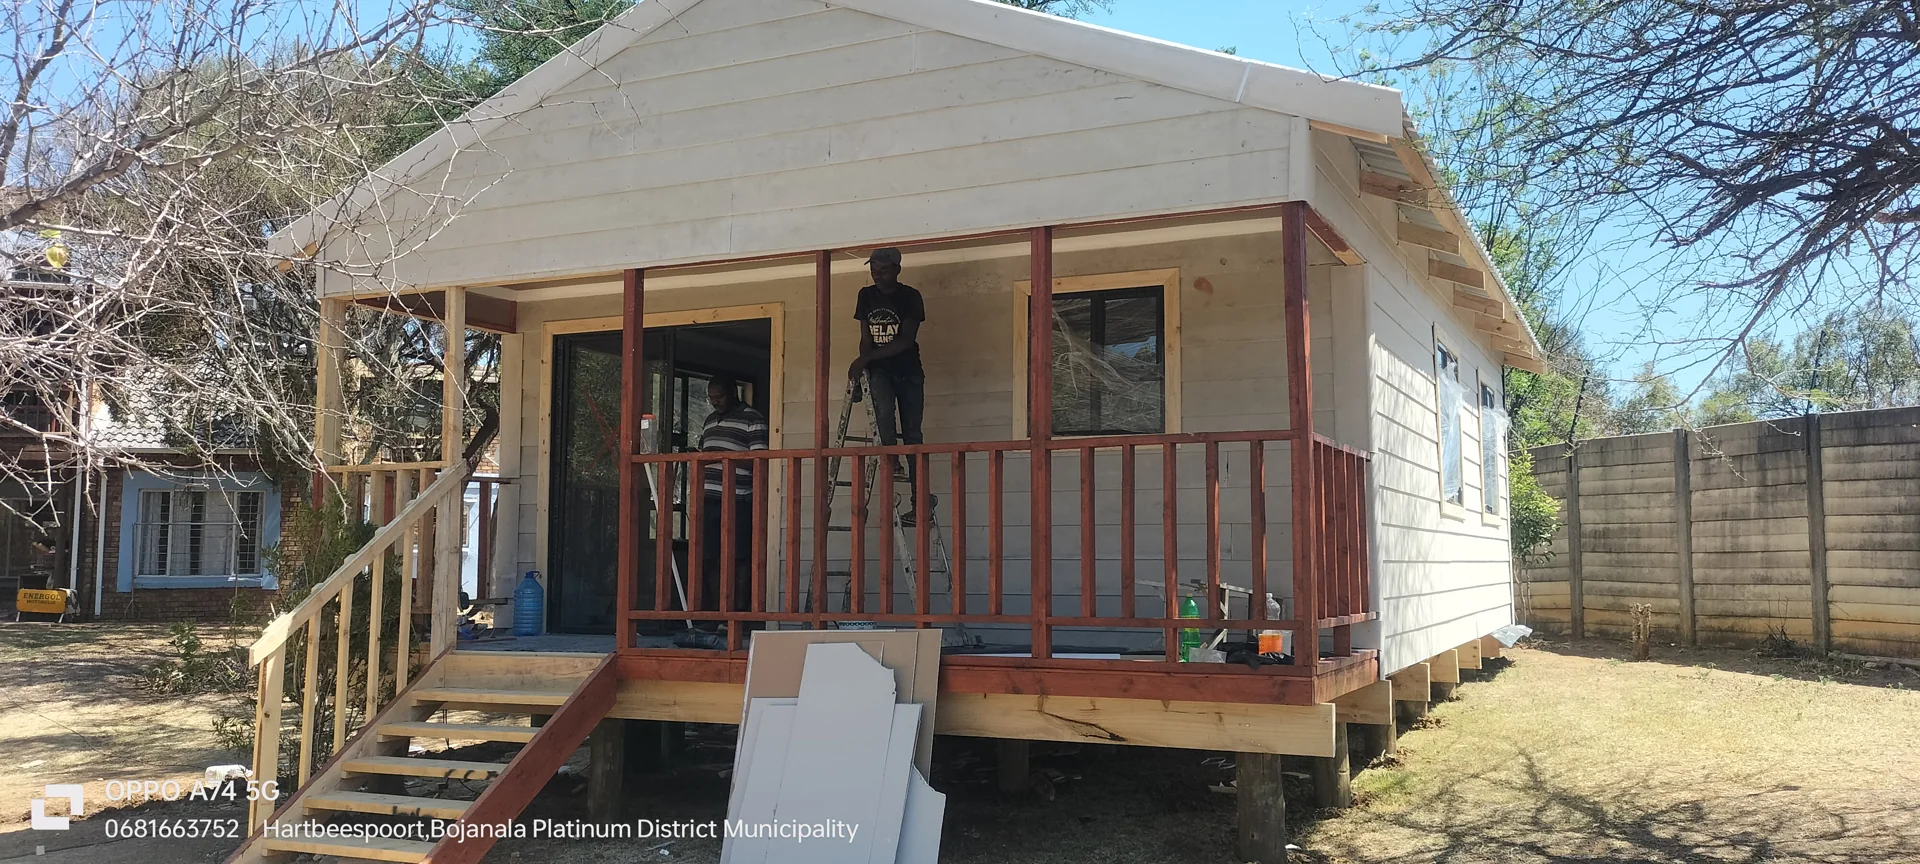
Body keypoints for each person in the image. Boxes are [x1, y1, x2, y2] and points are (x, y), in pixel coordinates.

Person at [849, 247, 927, 522]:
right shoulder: (866, 295)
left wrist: (864, 359)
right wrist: (864, 364)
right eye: (873, 270)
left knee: (913, 434)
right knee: (882, 414)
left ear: (897, 269)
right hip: (880, 370)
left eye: (882, 270)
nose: (876, 275)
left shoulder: (910, 297)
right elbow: (865, 337)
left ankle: (920, 501)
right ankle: (891, 461)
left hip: (908, 371)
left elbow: (905, 340)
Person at [696, 375, 768, 632]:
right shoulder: (709, 421)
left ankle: (737, 617)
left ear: (733, 392)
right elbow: (705, 454)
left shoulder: (753, 418)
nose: (715, 402)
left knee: (738, 558)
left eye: (720, 396)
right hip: (709, 499)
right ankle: (717, 615)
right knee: (710, 558)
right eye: (711, 398)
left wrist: (728, 460)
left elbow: (759, 461)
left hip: (739, 499)